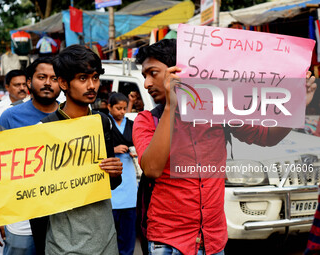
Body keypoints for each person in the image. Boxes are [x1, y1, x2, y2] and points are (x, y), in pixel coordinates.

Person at [132, 39, 317, 255]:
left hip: (213, 241)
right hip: (169, 243)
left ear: (180, 70)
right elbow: (152, 169)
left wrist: (297, 105)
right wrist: (171, 107)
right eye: (144, 75)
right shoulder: (145, 120)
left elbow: (266, 137)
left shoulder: (218, 110)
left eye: (152, 73)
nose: (146, 84)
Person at [39, 44, 122, 255]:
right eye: (83, 78)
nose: (92, 85)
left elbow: (111, 184)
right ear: (64, 83)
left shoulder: (102, 122)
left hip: (106, 238)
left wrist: (114, 171)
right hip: (64, 243)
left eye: (95, 78)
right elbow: (38, 194)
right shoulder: (45, 129)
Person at [0, 56, 61, 255]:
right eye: (42, 77)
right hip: (21, 216)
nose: (47, 83)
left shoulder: (70, 116)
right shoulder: (10, 117)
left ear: (61, 83)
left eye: (54, 78)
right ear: (29, 82)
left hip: (62, 217)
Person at [108, 92, 138, 255]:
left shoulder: (132, 124)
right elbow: (95, 150)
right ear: (109, 107)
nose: (121, 112)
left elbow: (139, 144)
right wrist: (113, 149)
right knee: (110, 234)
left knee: (128, 234)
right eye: (118, 108)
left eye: (124, 109)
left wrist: (135, 151)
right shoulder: (105, 124)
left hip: (128, 181)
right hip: (111, 182)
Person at [0, 69, 29, 134]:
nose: (22, 88)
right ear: (7, 87)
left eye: (24, 84)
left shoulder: (35, 105)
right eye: (17, 85)